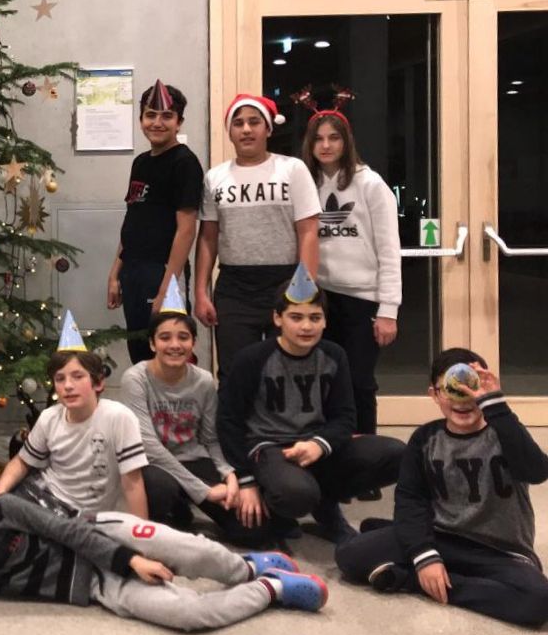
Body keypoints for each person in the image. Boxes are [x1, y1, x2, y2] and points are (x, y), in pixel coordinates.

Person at [0, 455, 329, 631]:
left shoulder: (2, 508)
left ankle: (247, 568)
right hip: (96, 585)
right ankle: (271, 588)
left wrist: (132, 560)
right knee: (191, 615)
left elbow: (68, 532)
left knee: (194, 552)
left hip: (100, 532)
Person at [335, 350, 548, 629]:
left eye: (471, 386)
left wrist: (496, 405)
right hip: (441, 537)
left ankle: (414, 580)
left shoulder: (504, 430)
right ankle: (406, 543)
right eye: (450, 389)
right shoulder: (425, 439)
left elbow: (537, 471)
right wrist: (425, 554)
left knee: (537, 601)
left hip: (499, 550)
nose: (462, 398)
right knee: (349, 555)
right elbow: (411, 498)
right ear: (434, 395)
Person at [217, 265, 405, 546]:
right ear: (277, 318)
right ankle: (280, 510)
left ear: (325, 321)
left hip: (315, 445)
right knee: (296, 494)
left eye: (315, 317)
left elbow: (344, 417)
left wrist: (319, 444)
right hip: (271, 449)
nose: (306, 326)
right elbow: (228, 421)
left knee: (396, 453)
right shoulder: (252, 359)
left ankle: (326, 506)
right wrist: (245, 479)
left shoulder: (334, 356)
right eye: (296, 317)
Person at [120, 277, 266, 546]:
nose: (174, 345)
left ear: (193, 342)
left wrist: (229, 475)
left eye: (183, 337)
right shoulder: (135, 379)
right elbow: (149, 446)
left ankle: (183, 500)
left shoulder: (204, 381)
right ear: (152, 344)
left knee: (252, 531)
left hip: (193, 459)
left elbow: (210, 439)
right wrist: (203, 491)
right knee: (161, 490)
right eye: (165, 337)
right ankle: (175, 505)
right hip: (154, 465)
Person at [193, 94, 320, 379]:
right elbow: (208, 238)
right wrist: (201, 292)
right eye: (238, 123)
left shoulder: (292, 169)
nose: (246, 129)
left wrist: (305, 290)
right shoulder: (215, 178)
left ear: (268, 129)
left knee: (290, 371)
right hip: (234, 288)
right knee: (235, 372)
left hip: (285, 282)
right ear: (230, 131)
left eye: (254, 122)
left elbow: (309, 232)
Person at [299, 100, 401, 442]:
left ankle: (365, 452)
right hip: (321, 298)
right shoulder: (306, 184)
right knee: (324, 380)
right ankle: (330, 447)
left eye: (334, 138)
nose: (326, 145)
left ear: (346, 141)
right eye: (319, 139)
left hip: (363, 299)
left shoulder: (370, 184)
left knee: (359, 381)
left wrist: (388, 310)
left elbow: (389, 250)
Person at [0, 310, 148, 517]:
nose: (67, 386)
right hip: (40, 495)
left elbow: (132, 483)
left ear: (98, 383)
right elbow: (21, 462)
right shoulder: (49, 418)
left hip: (79, 517)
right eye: (60, 379)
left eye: (77, 376)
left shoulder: (119, 418)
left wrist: (142, 531)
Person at [107, 81, 203, 363]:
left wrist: (166, 289)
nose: (157, 123)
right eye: (150, 115)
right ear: (140, 120)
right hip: (132, 271)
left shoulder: (185, 163)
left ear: (179, 122)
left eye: (167, 116)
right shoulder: (140, 163)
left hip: (162, 271)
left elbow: (186, 230)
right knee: (139, 351)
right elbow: (132, 220)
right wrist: (115, 274)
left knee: (169, 353)